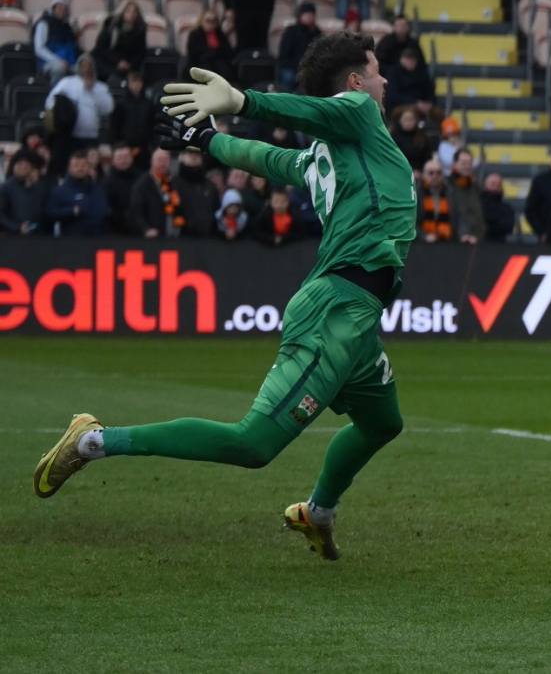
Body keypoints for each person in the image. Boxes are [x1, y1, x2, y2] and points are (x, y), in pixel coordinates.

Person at [35, 31, 417, 566]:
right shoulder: (359, 111)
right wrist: (242, 101)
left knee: (382, 422)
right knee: (252, 444)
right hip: (336, 311)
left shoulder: (329, 156)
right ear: (355, 82)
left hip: (355, 311)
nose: (385, 80)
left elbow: (265, 157)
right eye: (376, 71)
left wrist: (206, 141)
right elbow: (310, 114)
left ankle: (317, 513)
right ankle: (95, 439)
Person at [46, 57, 114, 159]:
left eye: (89, 66)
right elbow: (50, 101)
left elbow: (108, 108)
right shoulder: (67, 82)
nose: (86, 69)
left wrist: (92, 90)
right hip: (71, 136)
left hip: (92, 136)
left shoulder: (101, 87)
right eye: (83, 66)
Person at [128, 147, 184, 237]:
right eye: (159, 160)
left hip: (175, 235)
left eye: (165, 160)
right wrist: (146, 229)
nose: (163, 163)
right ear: (152, 161)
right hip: (153, 237)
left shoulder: (175, 182)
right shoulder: (142, 185)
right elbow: (136, 212)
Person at [0, 150, 48, 235]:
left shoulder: (40, 187)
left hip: (37, 235)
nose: (23, 168)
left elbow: (44, 211)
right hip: (12, 236)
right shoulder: (6, 187)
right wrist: (17, 227)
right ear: (14, 167)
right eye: (20, 164)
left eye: (26, 166)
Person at [277, 3, 320, 91]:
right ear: (300, 16)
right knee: (288, 76)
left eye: (311, 15)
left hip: (309, 68)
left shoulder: (317, 33)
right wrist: (297, 67)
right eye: (306, 14)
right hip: (291, 67)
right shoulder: (291, 31)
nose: (309, 17)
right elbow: (284, 54)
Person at [33, 0, 79, 81]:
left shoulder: (66, 27)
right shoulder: (44, 23)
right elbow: (39, 49)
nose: (62, 11)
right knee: (59, 68)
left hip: (68, 62)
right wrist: (58, 60)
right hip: (48, 62)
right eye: (59, 8)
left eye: (64, 9)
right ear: (53, 9)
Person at [186, 10, 235, 80]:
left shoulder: (220, 34)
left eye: (213, 21)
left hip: (218, 62)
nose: (211, 24)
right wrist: (213, 52)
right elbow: (194, 53)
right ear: (201, 21)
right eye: (208, 21)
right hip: (201, 63)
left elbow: (227, 52)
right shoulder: (195, 34)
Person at [480, 172, 515, 242]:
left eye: (498, 185)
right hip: (479, 244)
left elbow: (508, 228)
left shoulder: (507, 208)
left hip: (500, 244)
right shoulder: (477, 205)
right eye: (493, 184)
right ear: (485, 185)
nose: (495, 187)